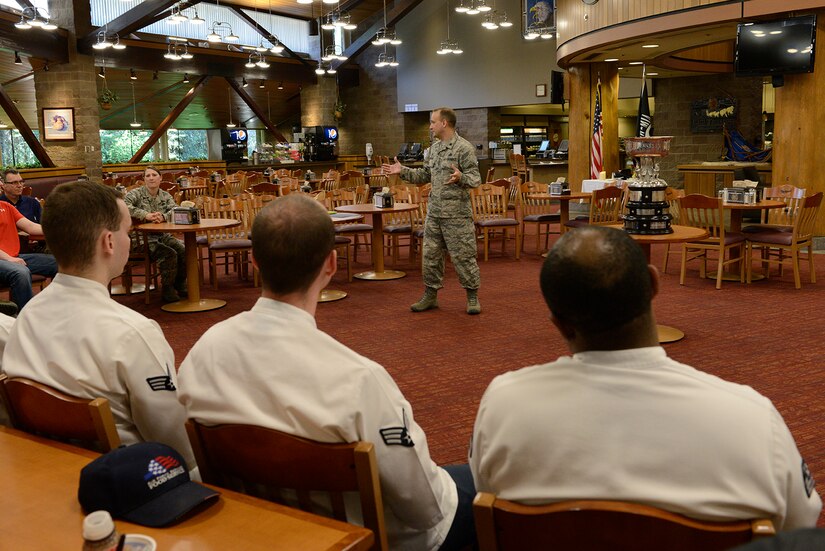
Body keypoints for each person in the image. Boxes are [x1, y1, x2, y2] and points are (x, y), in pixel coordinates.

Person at [469, 226, 821, 531]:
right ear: (654, 284)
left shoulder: (503, 404)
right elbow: (798, 525)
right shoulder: (752, 416)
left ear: (558, 323)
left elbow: (486, 491)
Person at [177, 194, 476, 551]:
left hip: (260, 528)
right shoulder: (360, 379)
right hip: (364, 539)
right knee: (487, 488)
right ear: (331, 265)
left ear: (254, 261)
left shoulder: (203, 352)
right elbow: (423, 508)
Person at [2, 181, 194, 468]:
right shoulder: (133, 332)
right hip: (130, 485)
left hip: (46, 469)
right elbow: (177, 448)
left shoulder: (27, 315)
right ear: (109, 242)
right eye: (127, 232)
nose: (129, 240)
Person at [383, 107, 482, 315]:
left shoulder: (463, 148)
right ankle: (430, 295)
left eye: (433, 122)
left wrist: (461, 177)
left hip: (457, 215)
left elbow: (475, 178)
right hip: (435, 214)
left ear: (444, 123)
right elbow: (425, 175)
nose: (430, 126)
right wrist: (403, 171)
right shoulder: (434, 149)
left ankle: (472, 296)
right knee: (430, 257)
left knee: (463, 256)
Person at [125, 166, 186, 303]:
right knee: (168, 253)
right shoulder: (135, 194)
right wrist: (146, 215)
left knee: (182, 250)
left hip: (161, 235)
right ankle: (167, 289)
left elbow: (176, 209)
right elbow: (124, 206)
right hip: (139, 238)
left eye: (154, 175)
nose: (151, 178)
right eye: (148, 176)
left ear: (160, 178)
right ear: (144, 179)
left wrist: (163, 217)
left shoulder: (165, 195)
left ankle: (179, 283)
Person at [0, 184, 57, 309]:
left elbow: (31, 227)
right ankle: (24, 319)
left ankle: (57, 309)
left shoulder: (6, 207)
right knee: (20, 272)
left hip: (14, 257)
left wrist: (59, 229)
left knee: (60, 263)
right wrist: (9, 259)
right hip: (5, 259)